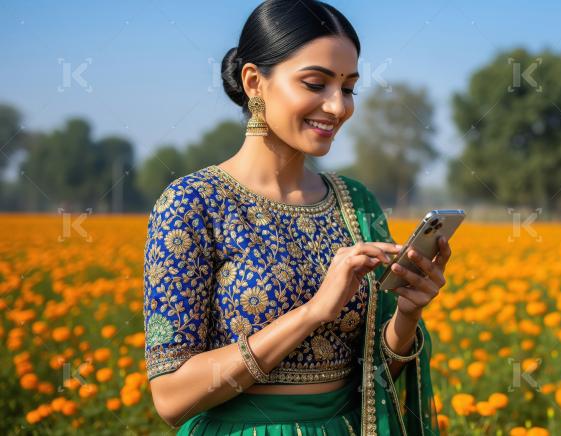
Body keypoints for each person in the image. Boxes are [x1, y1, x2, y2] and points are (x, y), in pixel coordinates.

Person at [142, 1, 448, 434]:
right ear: (254, 82)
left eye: (348, 88)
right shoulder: (192, 204)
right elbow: (171, 397)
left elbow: (377, 381)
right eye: (315, 83)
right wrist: (313, 312)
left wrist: (407, 315)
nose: (337, 107)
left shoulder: (355, 202)